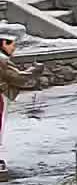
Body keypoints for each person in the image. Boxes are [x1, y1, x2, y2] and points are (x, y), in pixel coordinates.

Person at [0, 24, 42, 175]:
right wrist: (35, 70)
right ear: (4, 43)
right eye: (12, 45)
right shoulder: (2, 61)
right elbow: (18, 78)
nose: (14, 49)